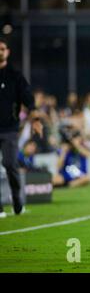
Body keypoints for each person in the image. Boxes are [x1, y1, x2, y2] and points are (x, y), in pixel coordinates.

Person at [0, 38, 43, 218]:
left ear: (7, 52)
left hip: (9, 128)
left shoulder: (14, 75)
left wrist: (35, 120)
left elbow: (28, 100)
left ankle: (17, 201)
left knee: (10, 164)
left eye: (2, 48)